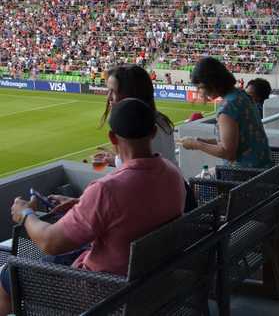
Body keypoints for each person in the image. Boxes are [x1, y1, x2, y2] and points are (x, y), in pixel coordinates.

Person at [0, 98, 185, 316]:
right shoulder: (173, 174)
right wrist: (81, 205)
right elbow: (133, 211)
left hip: (106, 290)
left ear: (112, 137)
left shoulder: (107, 189)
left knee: (7, 274)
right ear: (153, 132)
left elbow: (50, 242)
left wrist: (25, 214)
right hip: (153, 280)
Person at [180, 57, 272, 168]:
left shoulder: (228, 108)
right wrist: (203, 141)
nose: (199, 92)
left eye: (200, 87)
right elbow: (235, 140)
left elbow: (228, 153)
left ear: (211, 83)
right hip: (264, 171)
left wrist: (196, 144)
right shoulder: (242, 95)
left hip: (246, 177)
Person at [99, 65, 177, 166]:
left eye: (113, 91)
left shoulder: (143, 126)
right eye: (108, 91)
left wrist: (114, 160)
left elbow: (140, 167)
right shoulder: (157, 119)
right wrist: (116, 158)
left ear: (131, 92)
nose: (108, 96)